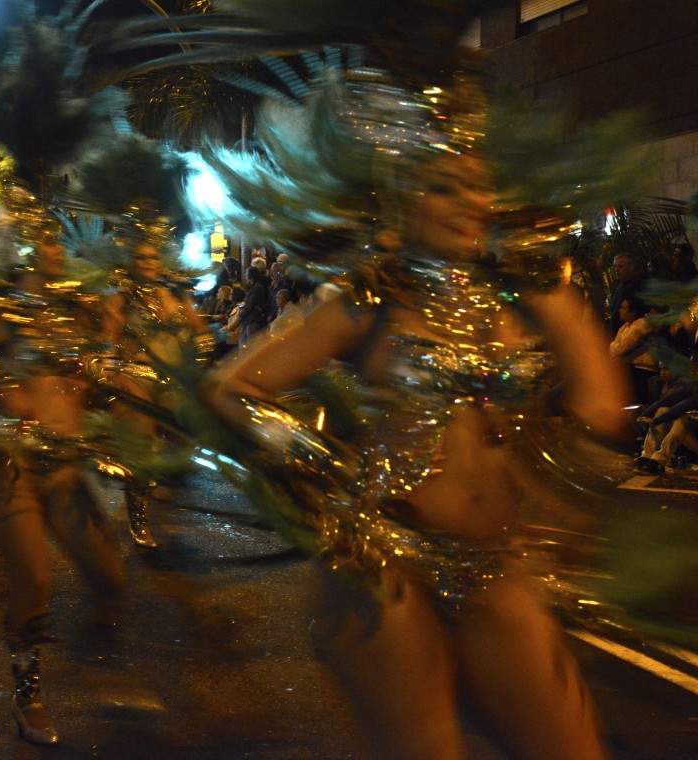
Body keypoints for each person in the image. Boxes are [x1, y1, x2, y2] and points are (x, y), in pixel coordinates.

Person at [208, 147, 628, 760]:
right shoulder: (371, 298)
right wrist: (319, 467)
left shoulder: (524, 294)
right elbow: (231, 389)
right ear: (405, 200)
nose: (467, 205)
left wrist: (562, 493)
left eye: (477, 188)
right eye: (443, 188)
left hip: (495, 562)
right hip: (385, 562)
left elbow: (601, 404)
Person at [0, 225, 126, 744]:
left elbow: (96, 384)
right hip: (7, 464)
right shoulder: (0, 319)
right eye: (46, 239)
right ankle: (28, 696)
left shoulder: (73, 317)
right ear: (24, 251)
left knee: (110, 578)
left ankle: (94, 669)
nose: (59, 248)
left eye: (58, 239)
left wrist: (108, 341)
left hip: (64, 467)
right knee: (35, 584)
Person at [101, 227, 210, 547]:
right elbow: (109, 338)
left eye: (152, 257)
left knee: (187, 433)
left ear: (160, 261)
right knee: (142, 444)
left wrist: (201, 352)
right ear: (132, 261)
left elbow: (199, 328)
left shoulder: (176, 293)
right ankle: (138, 519)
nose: (147, 262)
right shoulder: (122, 297)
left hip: (173, 378)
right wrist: (110, 371)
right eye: (140, 257)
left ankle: (161, 477)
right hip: (137, 375)